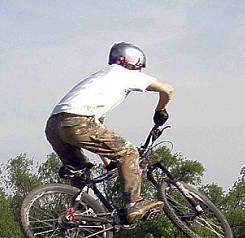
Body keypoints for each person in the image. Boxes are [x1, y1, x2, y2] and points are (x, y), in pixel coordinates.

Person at [45, 42, 174, 224]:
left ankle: (78, 216)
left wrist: (108, 164)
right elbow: (167, 90)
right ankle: (134, 204)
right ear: (134, 63)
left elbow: (97, 133)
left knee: (80, 172)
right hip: (77, 121)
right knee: (129, 152)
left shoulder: (100, 79)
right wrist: (160, 111)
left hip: (54, 126)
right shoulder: (124, 74)